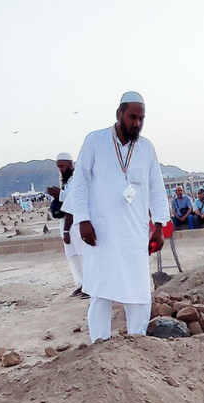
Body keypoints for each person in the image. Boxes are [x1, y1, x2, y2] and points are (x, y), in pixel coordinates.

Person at [72, 91, 170, 340]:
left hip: (135, 232)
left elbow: (157, 187)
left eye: (141, 118)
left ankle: (137, 342)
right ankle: (99, 345)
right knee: (101, 290)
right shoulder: (95, 141)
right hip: (101, 231)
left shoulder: (146, 148)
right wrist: (82, 219)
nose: (137, 123)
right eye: (132, 117)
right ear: (119, 114)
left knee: (138, 289)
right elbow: (80, 181)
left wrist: (159, 226)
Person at [48, 152, 87, 298]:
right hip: (66, 223)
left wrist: (66, 231)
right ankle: (81, 283)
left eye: (62, 166)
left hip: (76, 224)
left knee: (83, 255)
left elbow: (74, 202)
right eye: (58, 167)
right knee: (73, 255)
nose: (60, 170)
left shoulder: (78, 180)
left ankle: (90, 286)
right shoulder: (65, 181)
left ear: (70, 165)